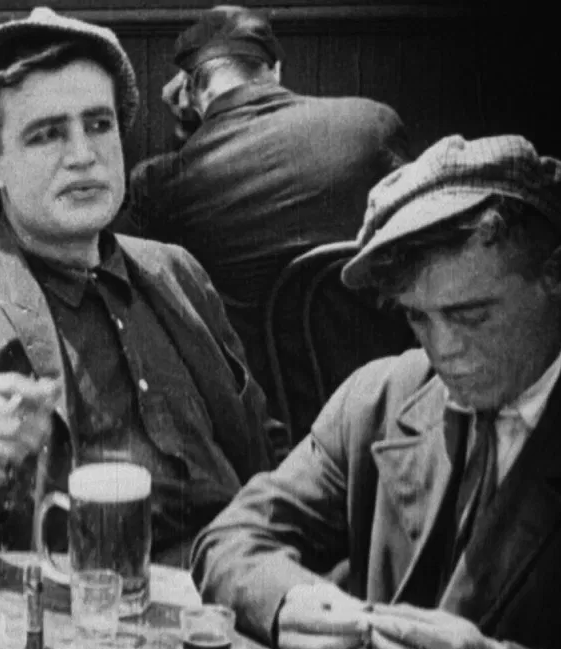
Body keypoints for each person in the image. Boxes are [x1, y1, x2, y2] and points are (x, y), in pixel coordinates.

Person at [190, 135, 561, 649]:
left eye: (471, 314)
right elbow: (229, 540)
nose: (443, 349)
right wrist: (288, 603)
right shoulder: (382, 396)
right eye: (417, 317)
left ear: (555, 275)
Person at [0, 8, 273, 564]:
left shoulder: (178, 273)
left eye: (99, 125)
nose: (83, 155)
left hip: (231, 582)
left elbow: (263, 445)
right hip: (65, 599)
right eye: (47, 134)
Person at [119, 5, 408, 406]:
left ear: (189, 89)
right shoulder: (369, 126)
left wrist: (186, 130)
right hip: (394, 391)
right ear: (275, 70)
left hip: (266, 417)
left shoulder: (161, 183)